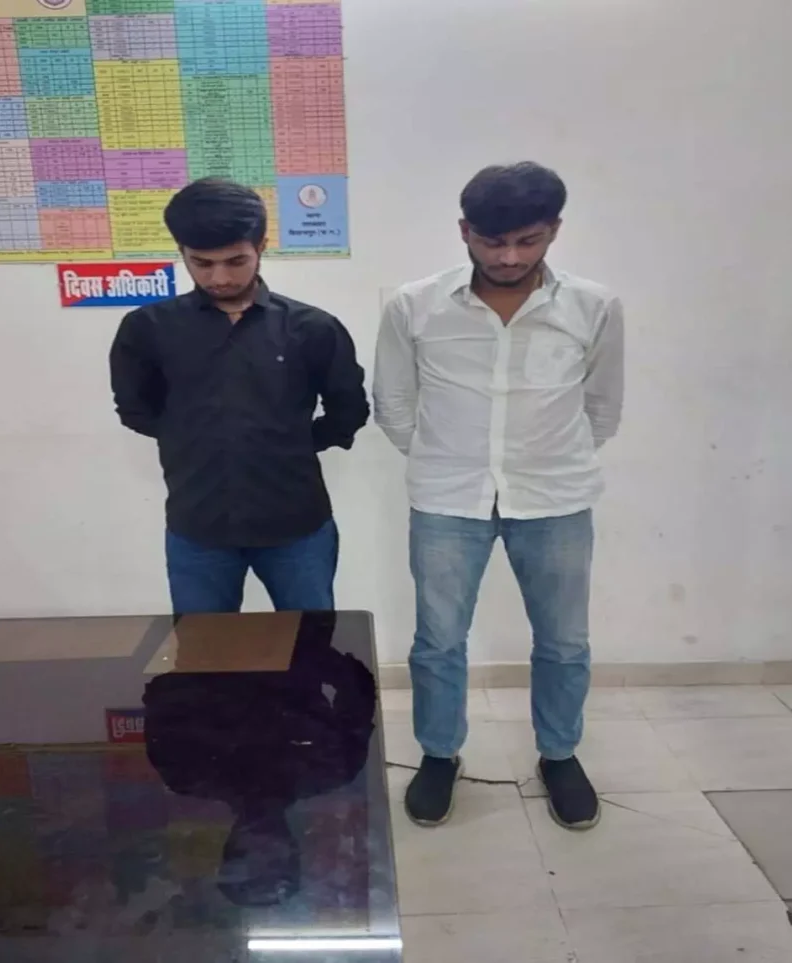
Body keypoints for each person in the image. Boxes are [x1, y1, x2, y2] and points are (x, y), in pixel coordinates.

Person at [373, 162, 624, 830]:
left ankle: (559, 755)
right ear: (464, 231)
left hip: (556, 498)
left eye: (527, 241)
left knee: (564, 642)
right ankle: (439, 754)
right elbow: (393, 401)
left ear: (554, 231)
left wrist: (549, 457)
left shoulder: (594, 306)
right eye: (492, 242)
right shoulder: (414, 305)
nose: (509, 257)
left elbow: (603, 405)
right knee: (437, 641)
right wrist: (444, 457)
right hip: (447, 499)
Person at [110, 178, 369, 614]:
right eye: (202, 263)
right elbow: (135, 410)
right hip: (198, 527)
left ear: (261, 247)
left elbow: (349, 410)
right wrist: (193, 438)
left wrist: (290, 443)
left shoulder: (312, 328)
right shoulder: (148, 329)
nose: (220, 277)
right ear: (181, 252)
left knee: (312, 645)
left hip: (297, 526)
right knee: (203, 649)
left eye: (236, 261)